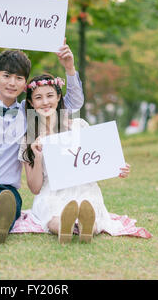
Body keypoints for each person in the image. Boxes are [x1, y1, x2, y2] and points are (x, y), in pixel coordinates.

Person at [0, 28, 84, 244]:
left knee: (8, 205)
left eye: (18, 78)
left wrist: (69, 68)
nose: (11, 83)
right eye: (6, 76)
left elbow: (72, 104)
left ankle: (0, 225)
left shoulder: (29, 112)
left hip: (5, 189)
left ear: (25, 85)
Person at [18, 73, 131, 244]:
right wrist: (39, 156)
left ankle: (86, 229)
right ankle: (66, 227)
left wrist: (117, 167)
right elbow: (34, 188)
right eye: (38, 98)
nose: (45, 102)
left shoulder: (79, 126)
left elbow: (96, 159)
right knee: (53, 216)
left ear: (58, 97)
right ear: (31, 103)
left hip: (83, 189)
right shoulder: (30, 139)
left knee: (88, 212)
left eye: (50, 95)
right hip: (51, 192)